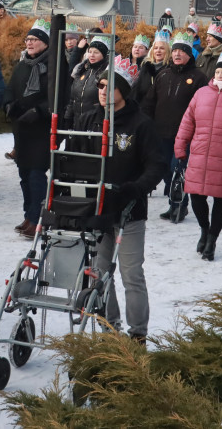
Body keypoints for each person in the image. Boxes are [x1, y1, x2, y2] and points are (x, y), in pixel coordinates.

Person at [68, 55, 164, 342]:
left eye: (109, 87)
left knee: (131, 274)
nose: (102, 92)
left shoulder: (141, 124)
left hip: (129, 212)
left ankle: (138, 335)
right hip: (96, 210)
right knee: (99, 273)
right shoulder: (88, 119)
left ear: (123, 91)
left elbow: (156, 165)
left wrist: (136, 188)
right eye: (100, 86)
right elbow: (74, 157)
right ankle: (111, 328)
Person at [175, 46, 222, 261]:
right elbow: (187, 122)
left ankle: (213, 239)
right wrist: (181, 146)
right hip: (199, 153)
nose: (219, 76)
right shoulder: (201, 93)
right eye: (217, 72)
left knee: (221, 198)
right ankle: (204, 230)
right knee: (196, 195)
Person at [142, 32, 208, 220]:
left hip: (185, 135)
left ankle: (178, 206)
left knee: (178, 170)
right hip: (160, 133)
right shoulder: (163, 74)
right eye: (176, 51)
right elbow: (149, 102)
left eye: (182, 51)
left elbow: (202, 108)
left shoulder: (199, 78)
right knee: (164, 169)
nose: (177, 54)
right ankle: (174, 202)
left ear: (190, 55)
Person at [4, 20, 51, 239]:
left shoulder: (53, 65)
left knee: (36, 174)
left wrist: (40, 111)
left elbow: (57, 97)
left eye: (35, 39)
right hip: (22, 128)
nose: (30, 43)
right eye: (28, 39)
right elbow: (11, 88)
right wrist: (9, 104)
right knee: (23, 174)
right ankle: (28, 214)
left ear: (45, 43)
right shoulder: (22, 64)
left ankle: (38, 219)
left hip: (41, 129)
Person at [66, 33, 110, 132]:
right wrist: (67, 119)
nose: (92, 55)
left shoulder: (106, 74)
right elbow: (72, 99)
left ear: (104, 54)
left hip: (95, 125)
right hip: (77, 124)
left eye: (96, 52)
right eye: (90, 51)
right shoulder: (81, 70)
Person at [132, 30, 170, 104]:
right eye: (156, 48)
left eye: (162, 48)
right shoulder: (146, 67)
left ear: (168, 51)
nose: (158, 51)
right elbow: (137, 91)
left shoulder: (170, 69)